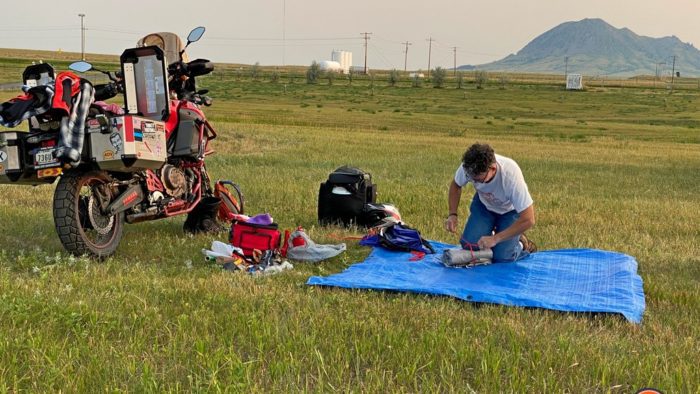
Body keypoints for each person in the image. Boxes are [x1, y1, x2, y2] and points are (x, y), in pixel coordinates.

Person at [444, 143, 536, 262]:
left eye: (477, 179)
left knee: (502, 257)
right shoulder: (469, 167)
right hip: (484, 206)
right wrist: (452, 214)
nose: (472, 180)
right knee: (470, 245)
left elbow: (529, 219)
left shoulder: (511, 176)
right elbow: (456, 185)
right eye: (470, 177)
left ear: (492, 169)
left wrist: (496, 239)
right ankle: (494, 233)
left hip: (509, 211)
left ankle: (521, 243)